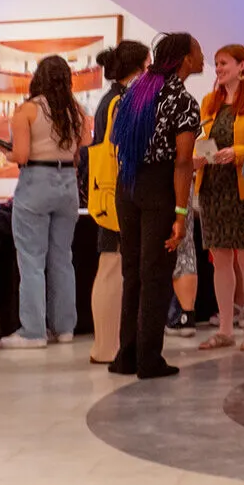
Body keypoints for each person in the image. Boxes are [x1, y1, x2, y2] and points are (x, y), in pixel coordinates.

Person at [107, 33, 201, 380]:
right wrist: (180, 213)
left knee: (132, 273)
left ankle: (126, 356)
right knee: (156, 274)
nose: (202, 55)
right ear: (186, 59)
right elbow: (182, 162)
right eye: (198, 50)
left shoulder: (137, 91)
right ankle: (149, 359)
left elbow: (120, 141)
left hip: (127, 184)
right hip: (159, 188)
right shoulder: (183, 101)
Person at [0, 55, 88, 349]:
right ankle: (64, 328)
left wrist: (7, 152)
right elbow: (82, 147)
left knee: (32, 261)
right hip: (67, 184)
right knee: (62, 259)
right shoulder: (76, 109)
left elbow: (21, 155)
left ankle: (33, 331)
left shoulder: (27, 110)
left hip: (36, 183)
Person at [181, 44, 244, 353]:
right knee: (221, 261)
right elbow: (202, 139)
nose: (218, 69)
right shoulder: (209, 102)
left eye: (224, 63)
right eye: (216, 64)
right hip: (214, 188)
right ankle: (226, 329)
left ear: (243, 66)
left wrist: (237, 153)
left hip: (243, 189)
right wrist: (198, 158)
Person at [84, 39, 147, 367]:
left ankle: (105, 344)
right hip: (116, 189)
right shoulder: (120, 101)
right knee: (111, 265)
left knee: (111, 264)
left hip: (104, 188)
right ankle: (106, 345)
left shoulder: (110, 98)